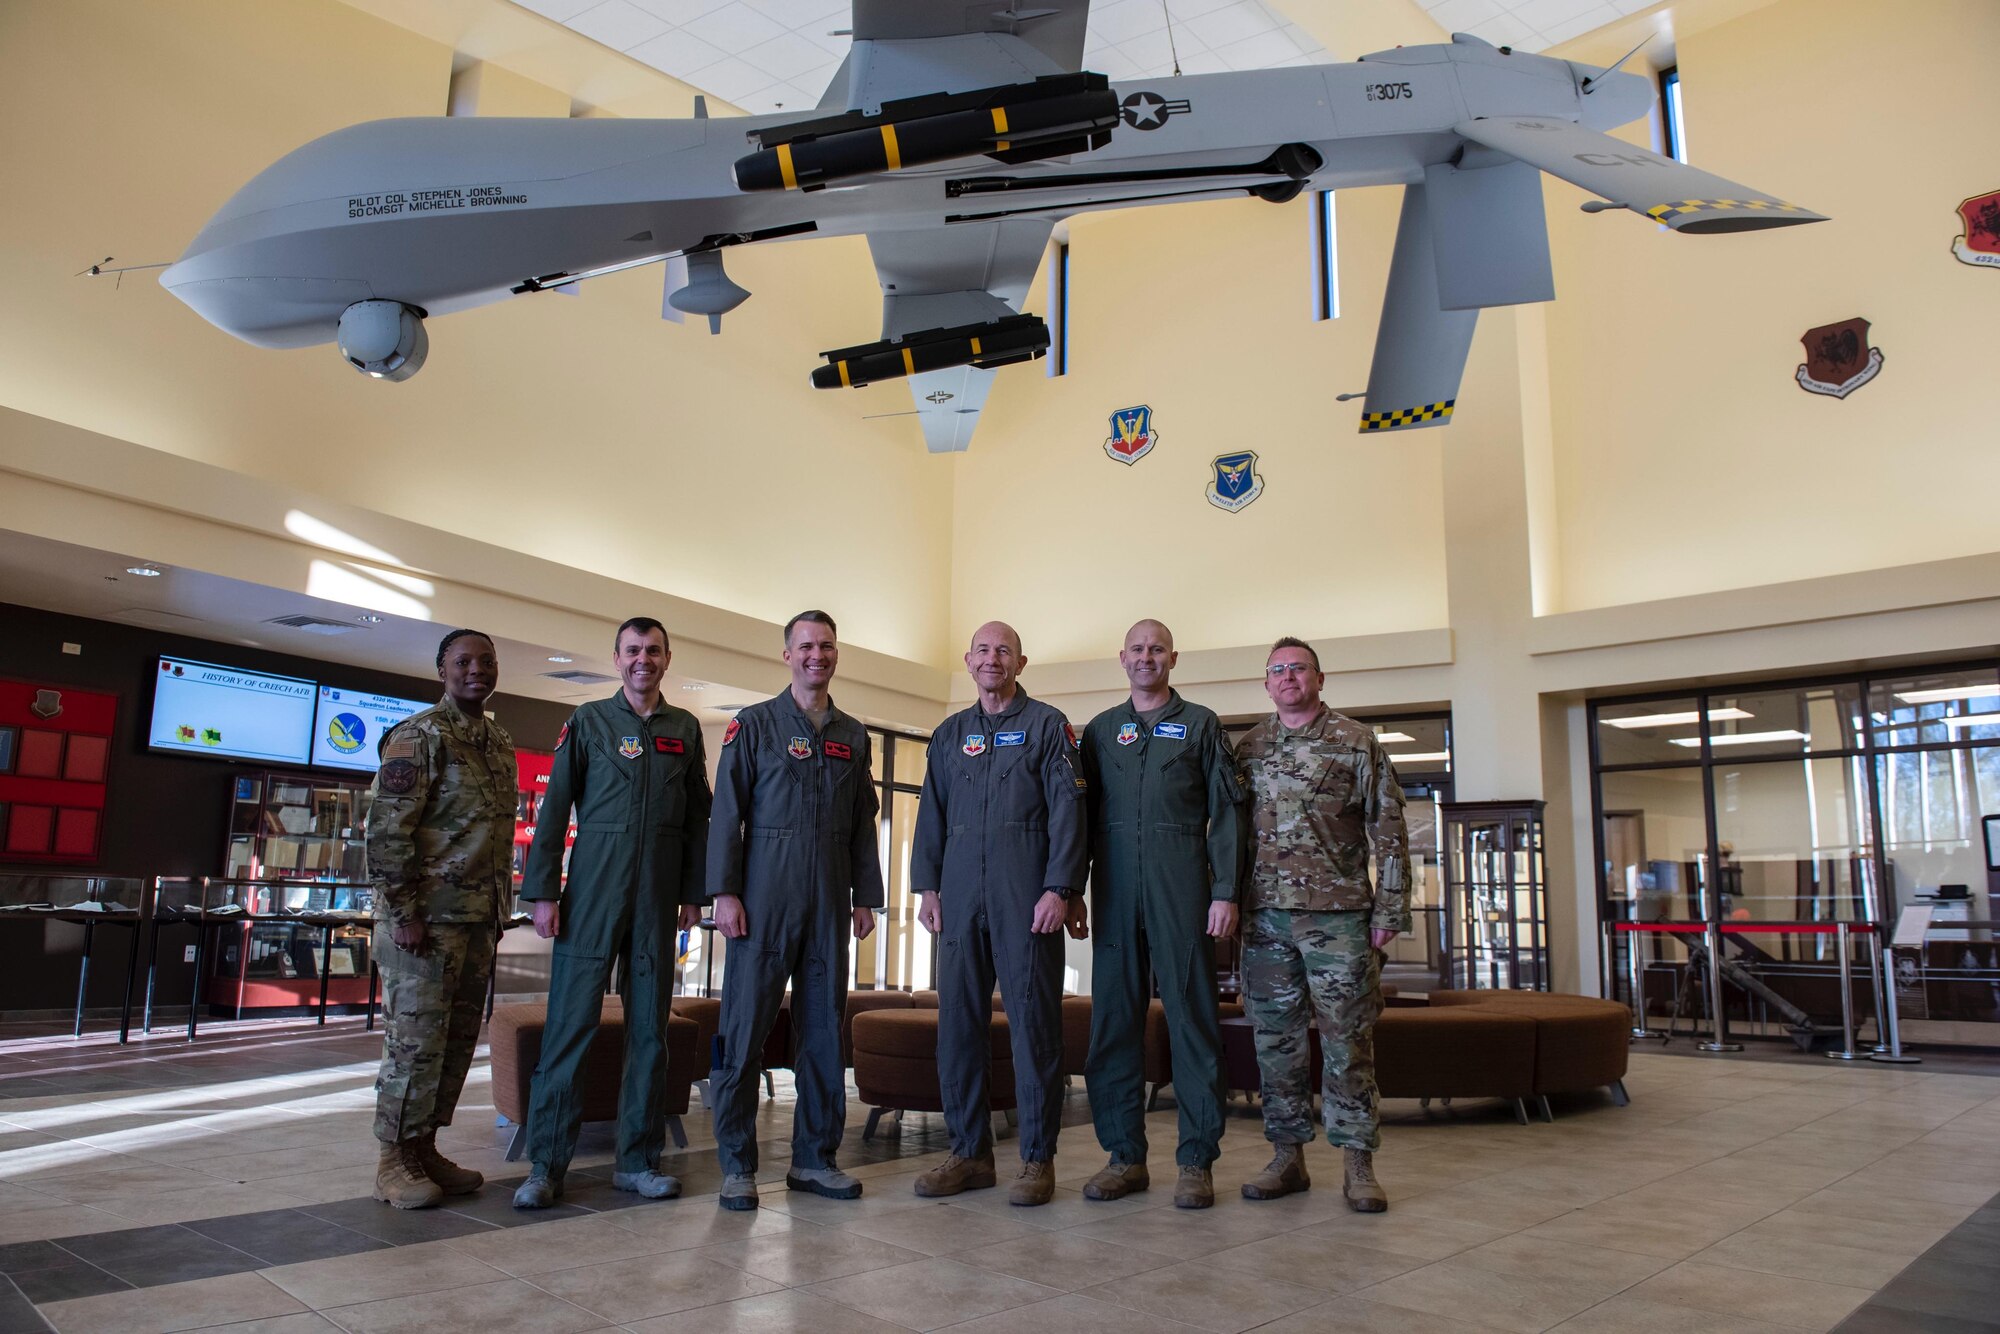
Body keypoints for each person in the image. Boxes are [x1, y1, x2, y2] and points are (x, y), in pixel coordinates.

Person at [512, 617, 712, 1208]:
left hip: (656, 901)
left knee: (650, 1035)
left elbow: (699, 817)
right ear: (617, 658)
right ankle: (545, 1167)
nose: (642, 660)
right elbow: (553, 813)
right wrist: (543, 893)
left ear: (667, 658)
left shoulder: (685, 728)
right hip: (593, 896)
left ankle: (638, 1162)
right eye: (632, 651)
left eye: (653, 650)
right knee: (569, 1030)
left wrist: (693, 893)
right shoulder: (589, 722)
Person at [706, 610, 884, 1211]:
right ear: (787, 655)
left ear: (837, 654)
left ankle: (815, 1159)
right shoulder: (753, 726)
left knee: (823, 1035)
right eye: (806, 646)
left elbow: (864, 822)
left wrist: (868, 898)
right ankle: (736, 1165)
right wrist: (724, 893)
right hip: (764, 896)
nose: (817, 655)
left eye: (827, 646)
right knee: (744, 1030)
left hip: (830, 897)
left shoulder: (853, 735)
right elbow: (727, 814)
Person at [911, 621, 1088, 1206]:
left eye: (1004, 651)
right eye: (983, 650)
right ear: (968, 661)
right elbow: (931, 815)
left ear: (1021, 662)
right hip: (958, 896)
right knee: (958, 1028)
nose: (993, 659)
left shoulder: (1046, 728)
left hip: (1025, 897)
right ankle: (969, 1153)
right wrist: (927, 887)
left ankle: (1037, 1160)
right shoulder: (949, 733)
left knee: (1034, 1027)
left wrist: (1060, 887)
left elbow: (1068, 813)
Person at [1234, 637, 1409, 1213]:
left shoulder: (1356, 743)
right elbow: (1228, 836)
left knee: (1348, 1042)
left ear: (1319, 677)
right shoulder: (1250, 748)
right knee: (1275, 1043)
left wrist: (1390, 909)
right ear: (1266, 684)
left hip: (1340, 922)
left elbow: (1389, 829)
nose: (1288, 677)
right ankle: (1287, 1157)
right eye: (1277, 670)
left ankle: (1358, 1162)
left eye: (1298, 668)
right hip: (1265, 921)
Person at [1077, 619, 1245, 1210]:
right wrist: (1071, 889)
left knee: (1192, 1022)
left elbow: (1225, 814)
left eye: (1157, 650)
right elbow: (1076, 818)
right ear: (1121, 658)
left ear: (1174, 657)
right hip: (1117, 890)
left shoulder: (1200, 725)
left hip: (1182, 890)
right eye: (1137, 650)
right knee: (1113, 1025)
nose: (1146, 658)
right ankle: (1123, 1157)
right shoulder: (1100, 732)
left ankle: (1196, 1160)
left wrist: (1224, 892)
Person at [366, 629, 517, 1210]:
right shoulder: (417, 737)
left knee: (452, 1044)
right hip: (422, 925)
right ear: (441, 670)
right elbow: (385, 835)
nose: (476, 669)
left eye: (486, 661)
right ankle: (391, 1159)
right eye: (463, 661)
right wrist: (404, 914)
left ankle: (423, 1149)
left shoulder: (496, 740)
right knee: (414, 1043)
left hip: (476, 921)